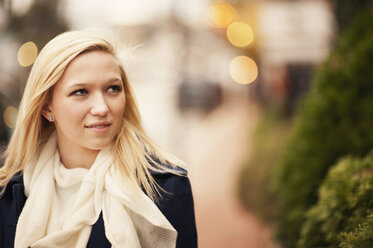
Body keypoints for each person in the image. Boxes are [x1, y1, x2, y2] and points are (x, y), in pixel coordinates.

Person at [0, 30, 197, 248]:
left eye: (112, 89)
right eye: (81, 92)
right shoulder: (10, 191)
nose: (102, 108)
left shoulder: (166, 186)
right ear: (47, 106)